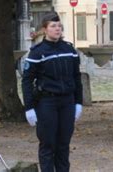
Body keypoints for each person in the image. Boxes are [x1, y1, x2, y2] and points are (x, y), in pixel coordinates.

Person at [22, 12, 83, 172]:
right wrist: (29, 107)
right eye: (53, 26)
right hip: (46, 102)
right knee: (48, 144)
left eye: (59, 26)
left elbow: (77, 77)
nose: (57, 29)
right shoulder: (37, 52)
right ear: (45, 29)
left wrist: (78, 102)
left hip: (67, 102)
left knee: (63, 145)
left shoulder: (69, 49)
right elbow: (27, 81)